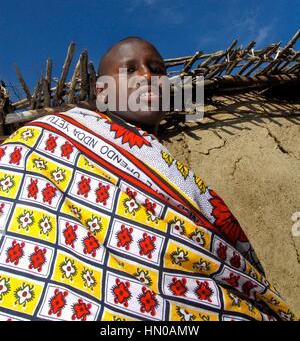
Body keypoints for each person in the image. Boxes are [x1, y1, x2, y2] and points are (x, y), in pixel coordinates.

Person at [0, 36, 296, 321]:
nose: (147, 76)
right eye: (130, 69)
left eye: (157, 70)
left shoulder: (168, 170)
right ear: (102, 91)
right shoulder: (46, 139)